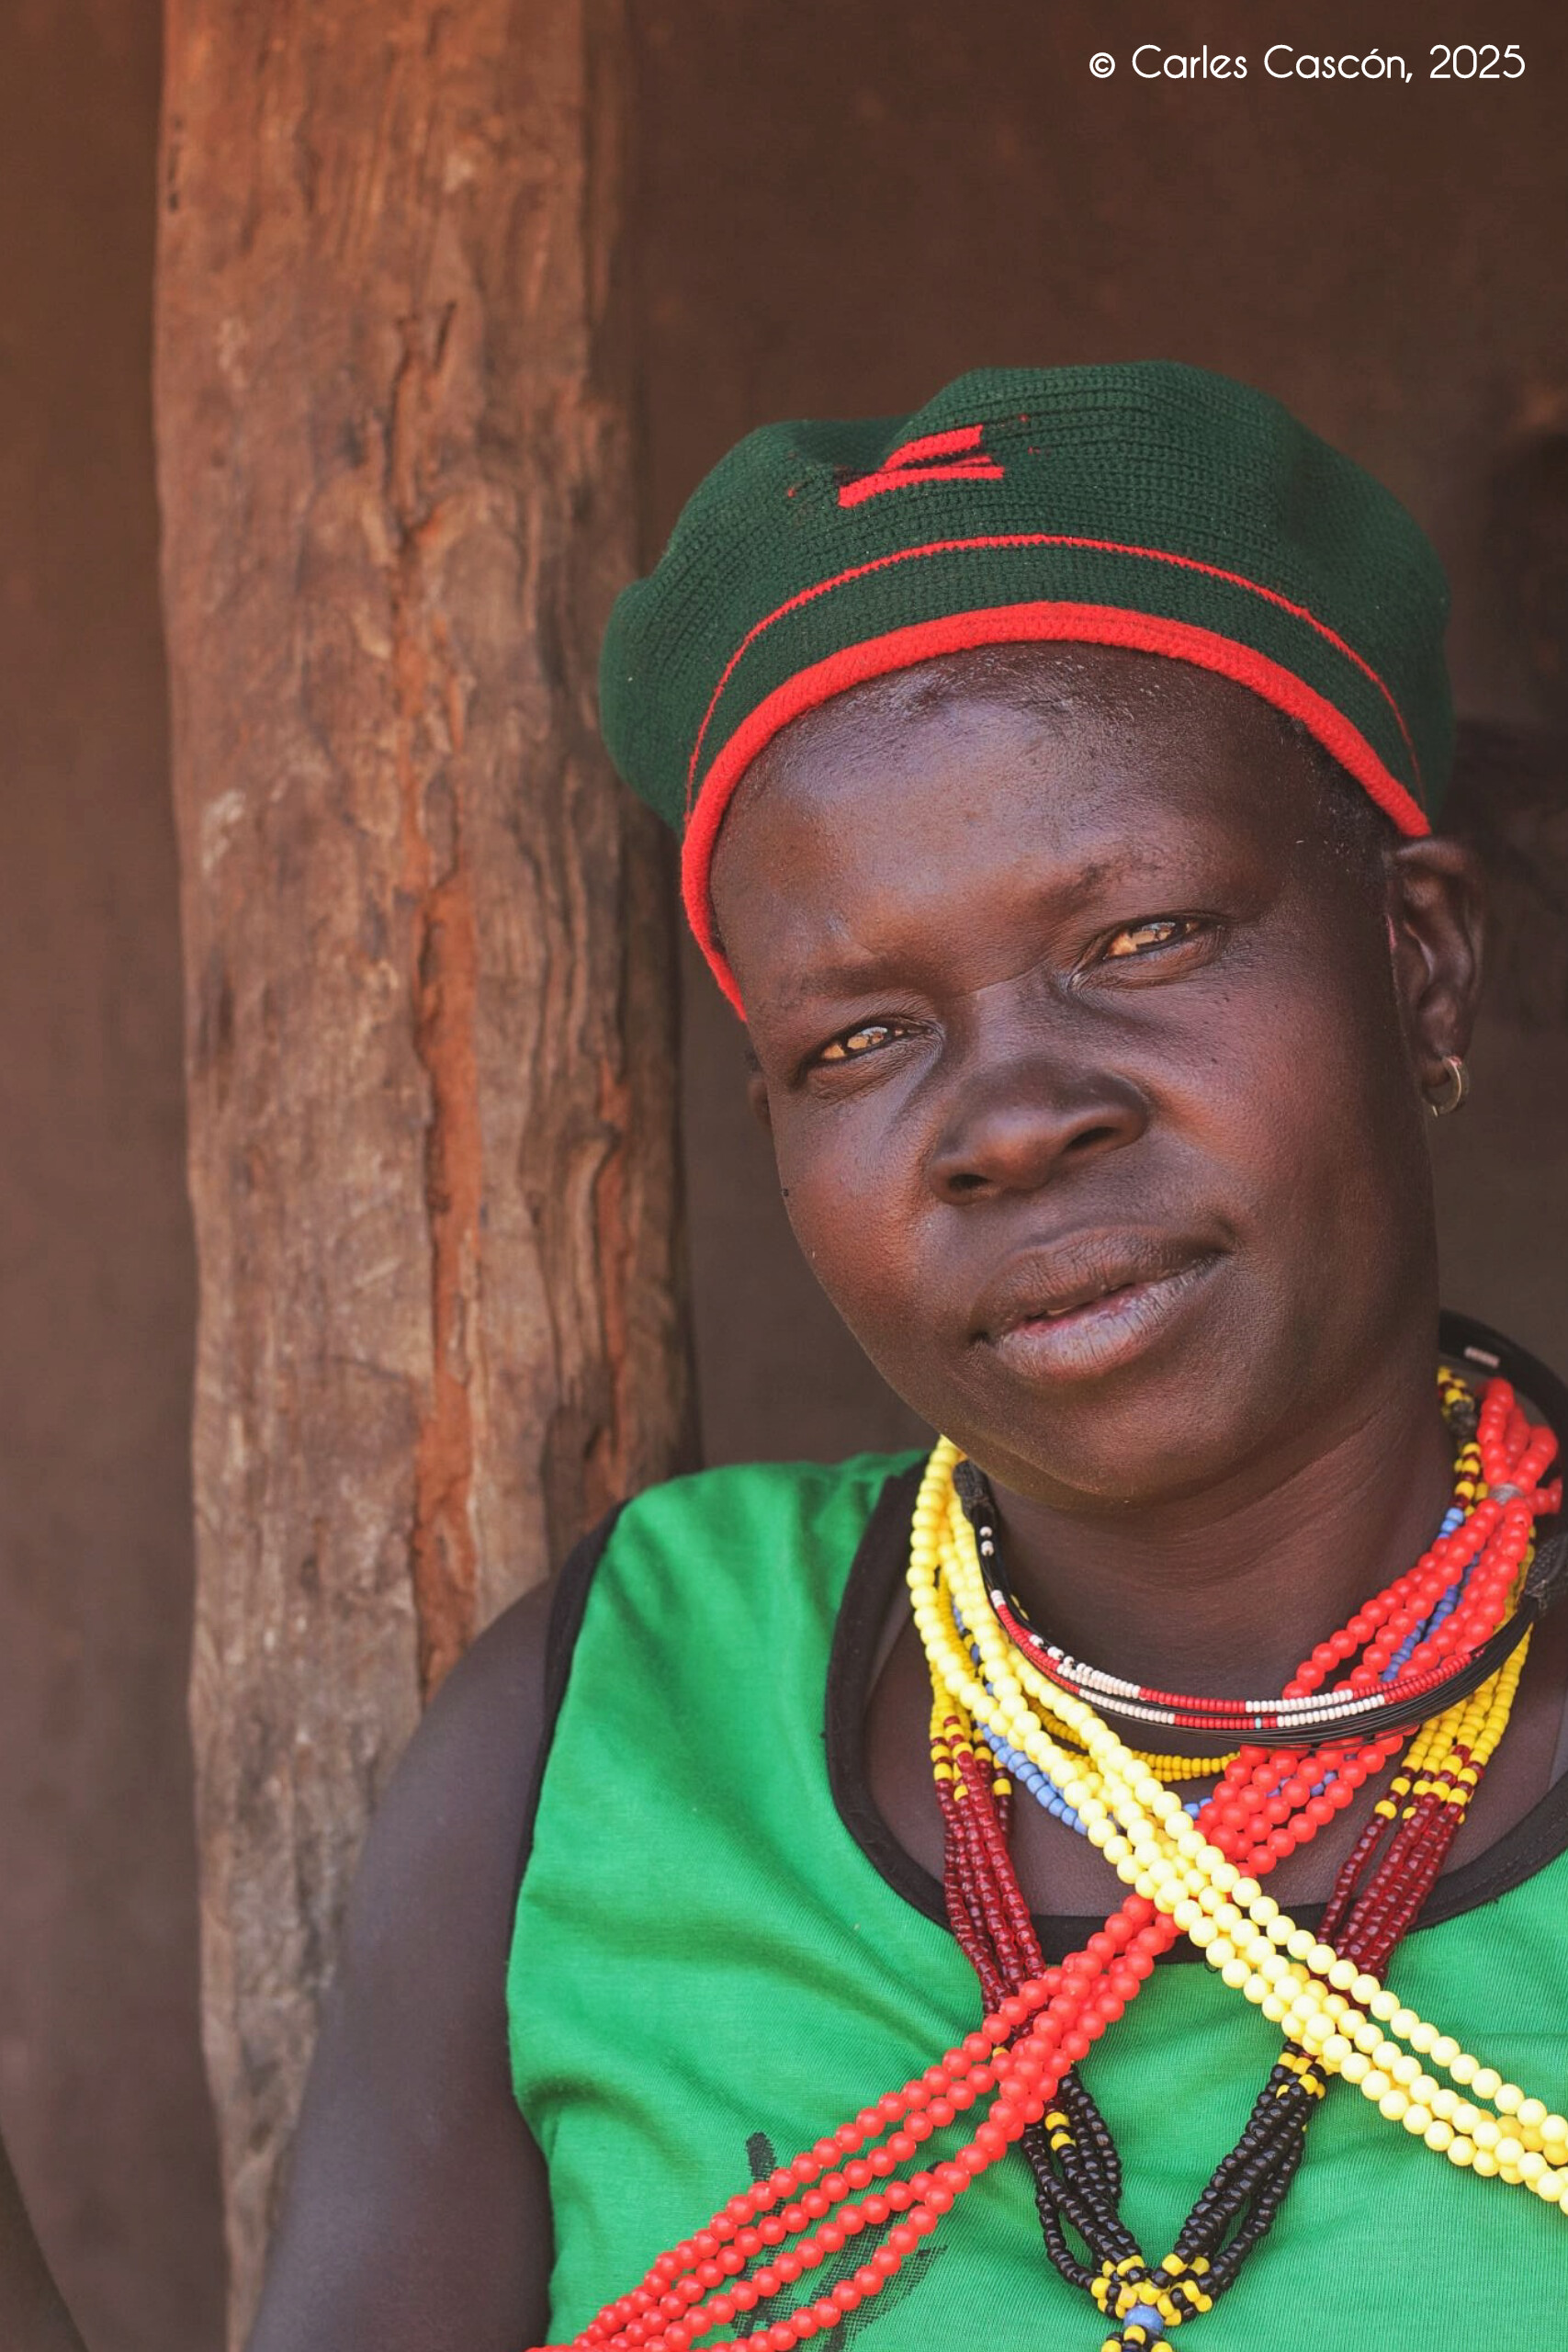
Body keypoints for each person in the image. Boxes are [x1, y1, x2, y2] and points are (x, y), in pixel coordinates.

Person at [6, 363, 1568, 2351]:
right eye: (856, 1037)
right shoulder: (620, 1708)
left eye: (1144, 935)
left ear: (1416, 963)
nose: (1009, 1113)